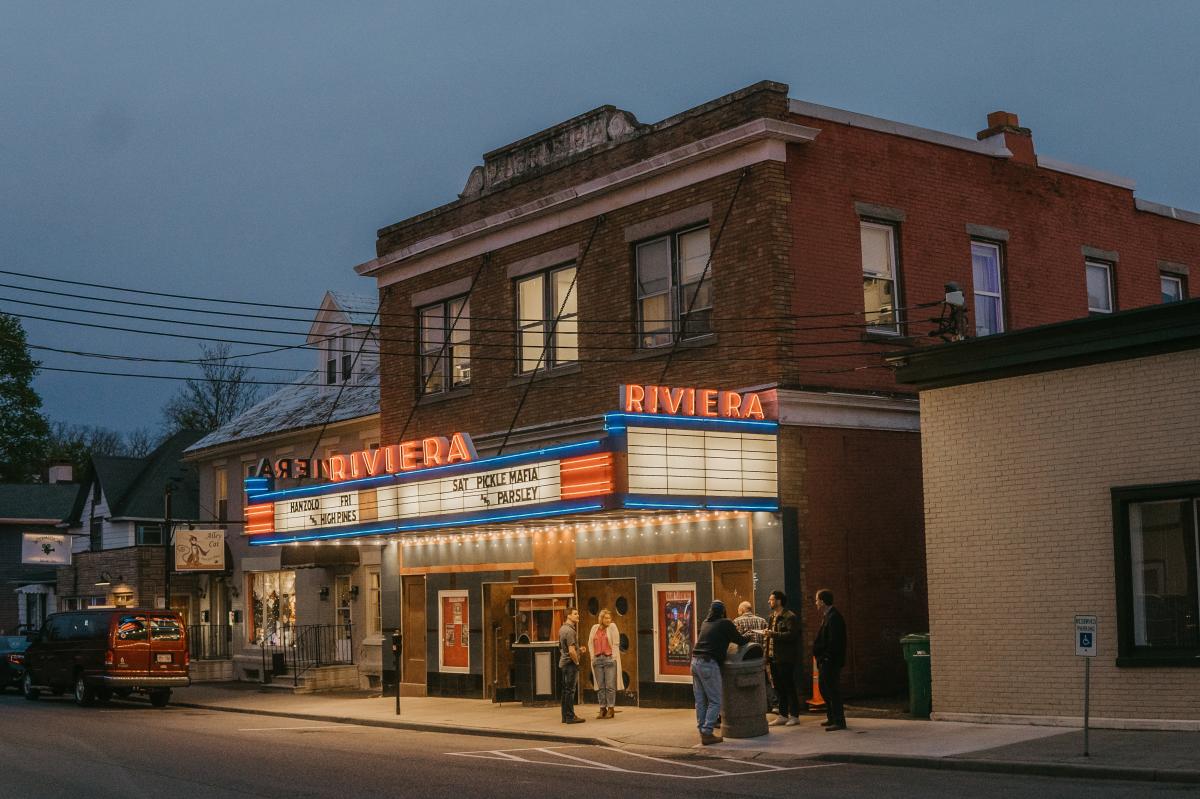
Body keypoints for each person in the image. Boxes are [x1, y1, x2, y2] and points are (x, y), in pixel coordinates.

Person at [690, 599, 748, 745]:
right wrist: (747, 636)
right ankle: (707, 732)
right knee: (715, 700)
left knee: (701, 701)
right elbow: (740, 641)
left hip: (695, 662)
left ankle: (702, 731)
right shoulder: (725, 623)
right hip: (709, 663)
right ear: (723, 611)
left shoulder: (705, 623)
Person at [763, 589, 801, 726]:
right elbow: (769, 638)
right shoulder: (772, 616)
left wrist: (773, 634)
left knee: (789, 686)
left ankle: (795, 715)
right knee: (778, 687)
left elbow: (792, 636)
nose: (769, 601)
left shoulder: (789, 616)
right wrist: (766, 656)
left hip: (786, 658)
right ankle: (783, 715)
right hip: (773, 657)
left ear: (779, 601)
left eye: (771, 599)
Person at [813, 588, 847, 731]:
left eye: (816, 600)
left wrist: (826, 657)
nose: (815, 603)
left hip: (830, 661)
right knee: (825, 688)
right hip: (826, 660)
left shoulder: (834, 617)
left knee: (833, 690)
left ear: (822, 601)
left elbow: (835, 641)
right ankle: (831, 717)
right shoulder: (828, 616)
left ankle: (839, 721)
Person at [733, 600, 775, 712]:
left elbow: (735, 641)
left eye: (738, 610)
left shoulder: (736, 622)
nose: (738, 612)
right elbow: (768, 638)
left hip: (744, 658)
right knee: (765, 681)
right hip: (760, 657)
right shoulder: (762, 621)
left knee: (745, 682)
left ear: (742, 610)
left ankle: (749, 705)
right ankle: (772, 705)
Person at [588, 608, 623, 719]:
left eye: (609, 618)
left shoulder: (612, 627)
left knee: (610, 686)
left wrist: (613, 658)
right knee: (600, 686)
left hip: (609, 659)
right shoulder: (594, 628)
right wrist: (592, 657)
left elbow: (616, 643)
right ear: (601, 618)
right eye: (606, 618)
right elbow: (590, 643)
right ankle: (602, 708)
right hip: (597, 659)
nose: (608, 620)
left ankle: (611, 708)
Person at [559, 607, 586, 724]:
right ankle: (570, 716)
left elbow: (563, 648)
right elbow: (571, 651)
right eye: (575, 614)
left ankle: (565, 716)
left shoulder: (562, 629)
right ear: (568, 616)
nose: (577, 615)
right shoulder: (570, 631)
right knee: (570, 691)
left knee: (565, 690)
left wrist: (579, 650)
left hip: (563, 663)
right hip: (570, 664)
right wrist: (577, 662)